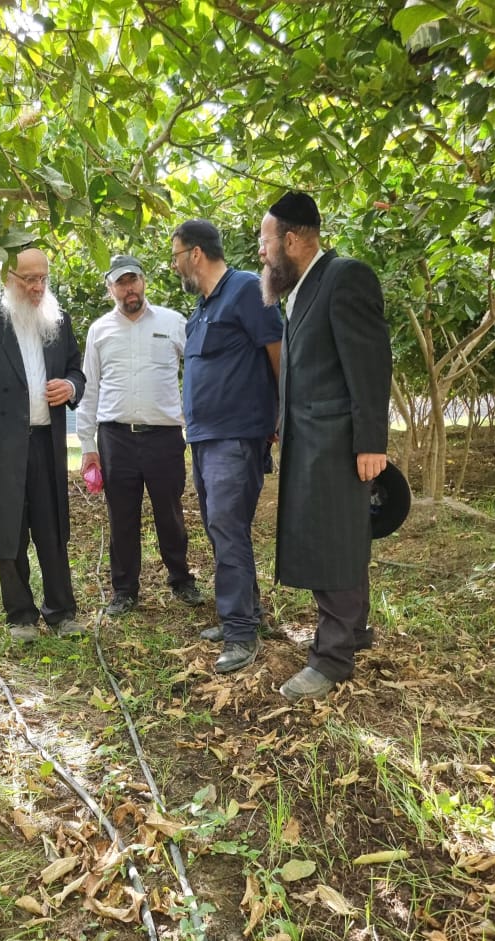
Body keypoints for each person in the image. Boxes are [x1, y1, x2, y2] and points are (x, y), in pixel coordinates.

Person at [258, 190, 392, 700]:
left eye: (267, 242)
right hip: (310, 440)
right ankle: (354, 632)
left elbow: (371, 365)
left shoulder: (344, 277)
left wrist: (371, 443)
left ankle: (332, 658)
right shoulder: (303, 291)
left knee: (335, 541)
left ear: (292, 241)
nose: (263, 252)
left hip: (338, 444)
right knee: (335, 538)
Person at [0, 247, 87, 642]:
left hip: (46, 442)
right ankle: (21, 616)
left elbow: (75, 368)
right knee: (8, 529)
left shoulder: (58, 319)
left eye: (42, 278)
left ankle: (62, 612)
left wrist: (71, 386)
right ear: (7, 277)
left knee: (52, 528)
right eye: (28, 279)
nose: (37, 287)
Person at [171, 221, 282, 674]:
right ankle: (244, 613)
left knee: (229, 528)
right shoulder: (201, 307)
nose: (175, 264)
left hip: (236, 436)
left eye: (176, 255)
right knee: (221, 529)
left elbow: (279, 356)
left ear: (196, 254)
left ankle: (240, 634)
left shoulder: (247, 290)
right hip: (204, 437)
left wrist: (280, 419)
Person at [77, 254, 204, 615]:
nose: (128, 288)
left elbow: (198, 368)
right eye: (120, 282)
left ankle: (181, 579)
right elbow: (90, 389)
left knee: (170, 511)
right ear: (110, 288)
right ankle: (125, 590)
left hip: (163, 437)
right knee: (122, 515)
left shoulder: (173, 322)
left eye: (133, 280)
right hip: (115, 438)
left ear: (143, 282)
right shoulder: (99, 330)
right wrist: (88, 446)